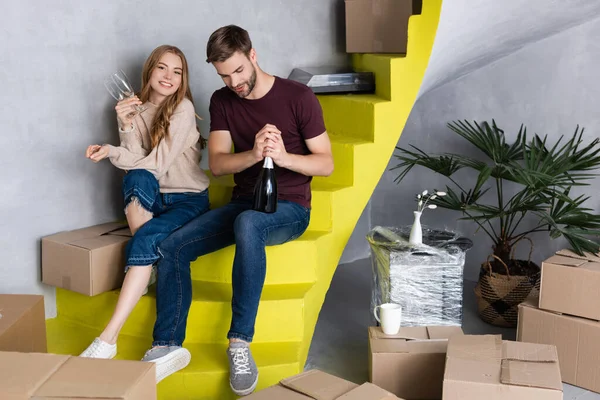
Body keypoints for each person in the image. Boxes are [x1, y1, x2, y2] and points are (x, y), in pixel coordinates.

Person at [140, 25, 334, 395]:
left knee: (249, 224)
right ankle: (167, 345)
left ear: (253, 56)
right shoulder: (222, 100)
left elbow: (325, 164)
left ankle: (240, 342)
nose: (234, 82)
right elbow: (218, 164)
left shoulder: (298, 96)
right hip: (245, 202)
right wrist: (255, 153)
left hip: (289, 208)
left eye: (239, 72)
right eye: (224, 75)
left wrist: (282, 156)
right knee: (172, 246)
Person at [80, 45, 210, 375]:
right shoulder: (136, 109)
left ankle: (108, 339)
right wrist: (125, 125)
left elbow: (156, 164)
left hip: (187, 200)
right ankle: (147, 264)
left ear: (183, 80)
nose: (168, 77)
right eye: (162, 69)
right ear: (149, 72)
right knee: (136, 179)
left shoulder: (182, 109)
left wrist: (111, 150)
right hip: (154, 201)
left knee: (147, 235)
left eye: (176, 72)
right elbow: (136, 168)